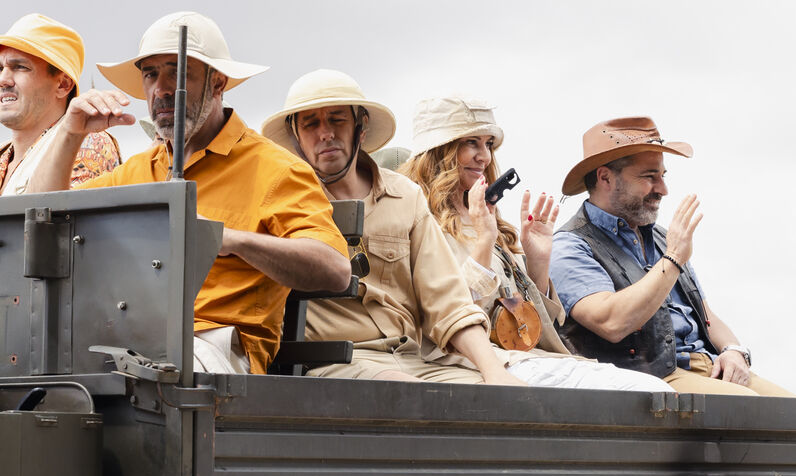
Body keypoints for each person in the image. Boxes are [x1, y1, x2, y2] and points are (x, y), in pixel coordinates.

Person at [23, 11, 352, 375]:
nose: (161, 89)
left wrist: (227, 239)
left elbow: (335, 269)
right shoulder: (137, 171)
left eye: (179, 72)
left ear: (217, 83)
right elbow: (39, 215)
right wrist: (71, 131)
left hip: (212, 349)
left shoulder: (274, 169)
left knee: (144, 376)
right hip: (121, 345)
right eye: (150, 74)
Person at [260, 70, 521, 386]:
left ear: (361, 127)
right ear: (296, 137)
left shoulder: (405, 197)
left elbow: (449, 302)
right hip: (336, 364)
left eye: (337, 120)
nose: (325, 133)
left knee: (503, 400)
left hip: (413, 360)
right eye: (311, 124)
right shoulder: (282, 201)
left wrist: (493, 373)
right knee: (421, 398)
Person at [398, 97, 672, 391]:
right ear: (440, 151)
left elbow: (527, 319)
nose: (485, 157)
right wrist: (484, 241)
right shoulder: (419, 221)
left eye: (489, 144)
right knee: (646, 392)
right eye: (472, 143)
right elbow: (451, 314)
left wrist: (537, 263)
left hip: (527, 356)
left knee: (646, 390)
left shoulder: (487, 218)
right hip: (471, 362)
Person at [550, 116, 791, 396]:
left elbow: (705, 314)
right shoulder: (571, 246)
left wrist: (734, 351)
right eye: (649, 177)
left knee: (788, 409)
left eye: (662, 176)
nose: (663, 190)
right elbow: (611, 323)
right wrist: (674, 258)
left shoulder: (664, 237)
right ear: (605, 177)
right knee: (751, 408)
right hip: (653, 376)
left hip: (709, 367)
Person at [0, 13, 119, 198]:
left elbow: (63, 218)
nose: (2, 80)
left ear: (63, 84)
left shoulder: (87, 142)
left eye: (20, 67)